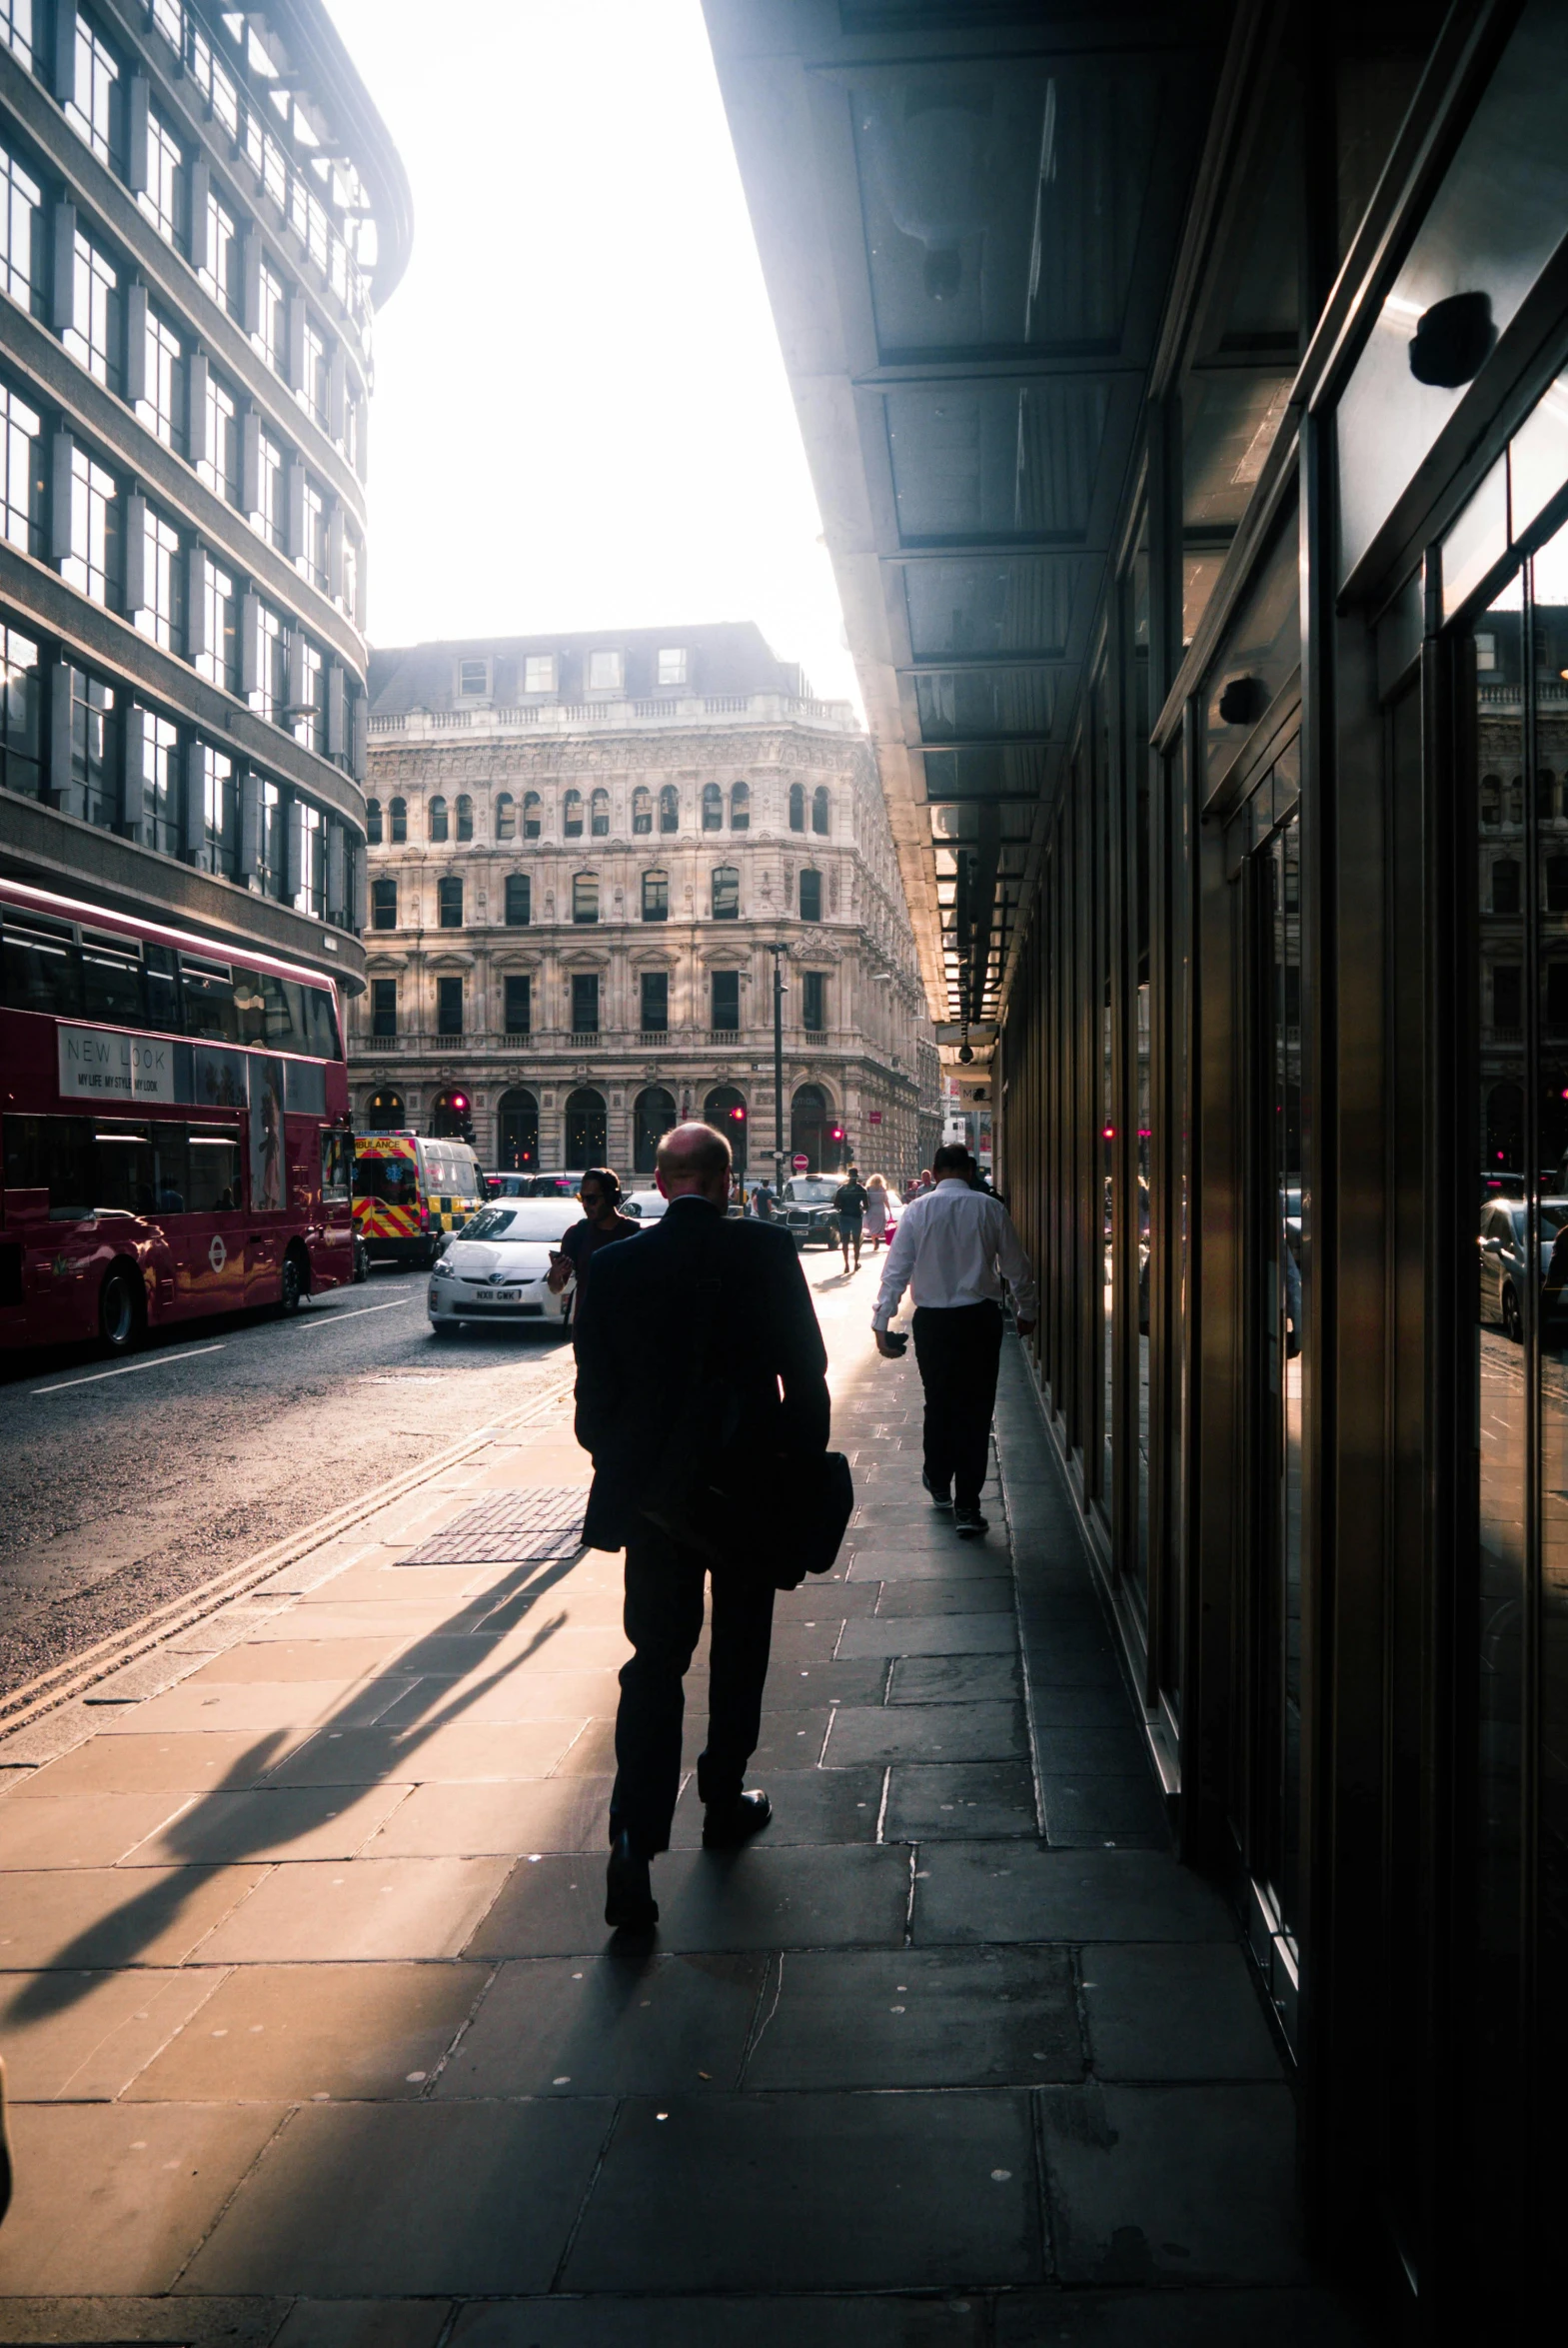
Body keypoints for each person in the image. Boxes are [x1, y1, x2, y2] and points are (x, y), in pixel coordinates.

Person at [573, 1121, 830, 1930]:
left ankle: (631, 1839)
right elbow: (809, 1379)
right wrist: (792, 1463)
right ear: (727, 1180)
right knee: (740, 1644)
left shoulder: (611, 1266)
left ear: (657, 1180)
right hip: (749, 1490)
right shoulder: (765, 1250)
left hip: (656, 1502)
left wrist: (636, 1468)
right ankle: (723, 1798)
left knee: (654, 1660)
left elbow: (591, 1410)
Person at [871, 1142, 1037, 1537]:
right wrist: (1027, 1311)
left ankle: (937, 1477)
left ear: (936, 1170)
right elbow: (1017, 1267)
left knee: (940, 1402)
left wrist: (882, 1321)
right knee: (976, 1411)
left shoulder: (917, 1211)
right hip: (979, 1320)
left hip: (933, 1323)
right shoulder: (989, 1208)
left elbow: (896, 1269)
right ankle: (968, 1507)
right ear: (967, 1170)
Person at [547, 1168, 640, 1324]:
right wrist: (555, 1274)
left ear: (611, 1197)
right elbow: (556, 1288)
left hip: (625, 1333)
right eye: (581, 1198)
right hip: (587, 1333)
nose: (585, 1205)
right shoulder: (577, 1234)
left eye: (591, 1199)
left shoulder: (634, 1234)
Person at [833, 1166, 869, 1271]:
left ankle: (846, 1265)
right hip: (856, 1216)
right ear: (857, 1177)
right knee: (856, 1241)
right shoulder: (861, 1189)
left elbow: (836, 1204)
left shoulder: (841, 1189)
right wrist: (861, 1208)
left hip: (844, 1216)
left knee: (845, 1241)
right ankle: (856, 1263)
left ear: (848, 1176)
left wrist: (843, 1207)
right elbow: (866, 1206)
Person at [863, 1173, 890, 1253]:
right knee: (879, 1225)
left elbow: (866, 1199)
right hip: (880, 1208)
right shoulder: (882, 1189)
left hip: (872, 1208)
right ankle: (877, 1238)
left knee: (872, 1226)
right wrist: (889, 1210)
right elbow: (886, 1200)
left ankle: (874, 1241)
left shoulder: (868, 1188)